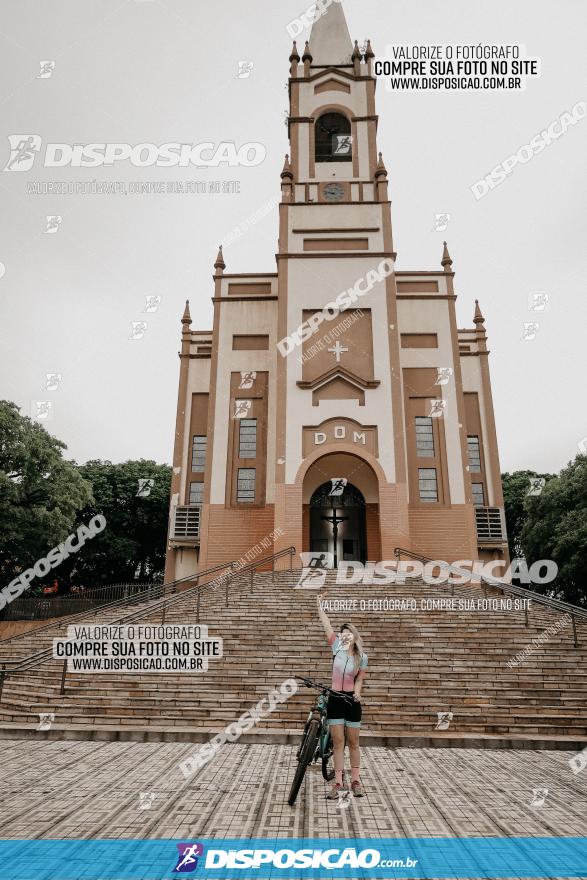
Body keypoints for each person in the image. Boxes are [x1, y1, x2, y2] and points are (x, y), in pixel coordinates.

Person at [316, 594, 368, 799]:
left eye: (348, 634)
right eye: (342, 634)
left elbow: (359, 680)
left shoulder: (362, 657)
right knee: (338, 742)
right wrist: (319, 605)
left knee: (353, 742)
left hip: (351, 702)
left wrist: (357, 693)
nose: (344, 636)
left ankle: (356, 780)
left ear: (354, 636)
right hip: (335, 699)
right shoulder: (336, 647)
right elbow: (326, 624)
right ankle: (338, 783)